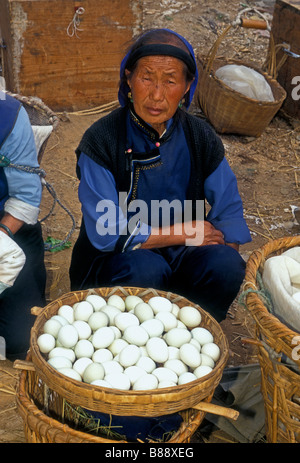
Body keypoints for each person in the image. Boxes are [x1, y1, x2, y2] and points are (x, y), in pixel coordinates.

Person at [69, 28, 251, 322]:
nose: (156, 95)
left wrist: (225, 259)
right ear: (128, 78)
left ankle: (192, 331)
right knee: (147, 269)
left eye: (170, 81)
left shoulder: (199, 137)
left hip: (181, 259)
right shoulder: (101, 140)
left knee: (226, 264)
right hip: (118, 264)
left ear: (188, 86)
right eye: (146, 78)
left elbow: (228, 209)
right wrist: (186, 233)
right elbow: (107, 232)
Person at [0, 90, 46, 360]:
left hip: (8, 227)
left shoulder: (7, 116)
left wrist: (3, 240)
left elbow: (25, 198)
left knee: (20, 339)